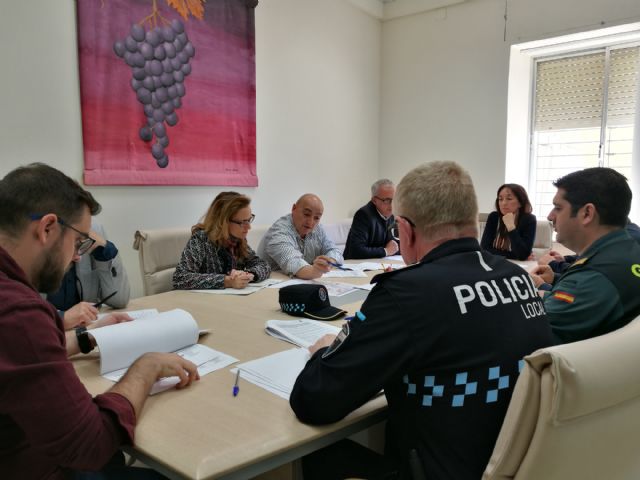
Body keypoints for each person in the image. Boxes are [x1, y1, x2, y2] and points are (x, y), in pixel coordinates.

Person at [290, 162, 554, 480]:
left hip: (434, 470)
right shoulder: (519, 278)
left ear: (405, 229)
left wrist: (323, 352)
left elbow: (313, 400)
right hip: (512, 464)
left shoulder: (406, 293)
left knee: (314, 455)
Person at [0, 163, 199, 479]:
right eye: (78, 242)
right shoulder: (18, 312)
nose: (77, 256)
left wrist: (86, 338)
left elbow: (15, 356)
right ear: (47, 228)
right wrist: (145, 368)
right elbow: (91, 445)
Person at [528, 168, 640, 344]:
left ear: (587, 213)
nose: (550, 216)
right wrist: (548, 290)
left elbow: (529, 329)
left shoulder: (594, 275)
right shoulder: (627, 250)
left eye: (558, 208)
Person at [173, 193, 270, 290]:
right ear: (223, 222)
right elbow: (180, 278)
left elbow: (263, 265)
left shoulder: (237, 240)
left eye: (249, 220)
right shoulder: (201, 239)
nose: (249, 227)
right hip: (198, 298)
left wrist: (248, 275)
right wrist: (227, 281)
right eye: (242, 222)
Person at [46, 221, 131, 330]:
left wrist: (104, 250)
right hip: (47, 333)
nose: (78, 258)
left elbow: (119, 300)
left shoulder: (92, 229)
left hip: (86, 329)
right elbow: (27, 318)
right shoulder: (33, 236)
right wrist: (63, 318)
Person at [258, 194, 343, 279]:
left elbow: (335, 251)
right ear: (294, 209)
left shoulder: (318, 229)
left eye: (317, 218)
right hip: (273, 284)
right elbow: (294, 264)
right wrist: (316, 271)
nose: (310, 222)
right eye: (306, 214)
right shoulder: (279, 232)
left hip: (299, 281)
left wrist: (330, 261)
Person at [343, 179, 399, 259]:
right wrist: (386, 251)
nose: (392, 205)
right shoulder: (363, 215)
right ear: (374, 200)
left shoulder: (392, 214)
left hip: (379, 262)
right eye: (387, 200)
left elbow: (396, 245)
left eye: (394, 199)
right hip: (355, 264)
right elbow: (356, 250)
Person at [480, 183, 536, 260]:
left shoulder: (529, 219)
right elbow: (484, 249)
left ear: (520, 203)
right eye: (500, 199)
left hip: (518, 264)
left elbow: (522, 254)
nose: (503, 203)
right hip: (494, 261)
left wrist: (511, 227)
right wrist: (514, 255)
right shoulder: (494, 217)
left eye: (509, 199)